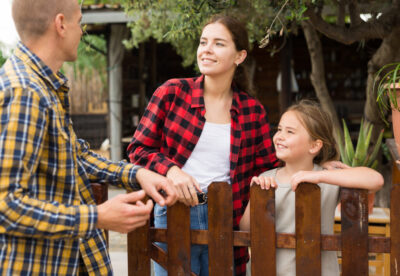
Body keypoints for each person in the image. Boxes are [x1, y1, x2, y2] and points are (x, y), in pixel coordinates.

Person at [0, 0, 177, 275]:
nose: (82, 31)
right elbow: (6, 207)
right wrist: (98, 216)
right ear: (61, 24)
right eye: (79, 22)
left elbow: (75, 155)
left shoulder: (44, 86)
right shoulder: (25, 92)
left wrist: (137, 174)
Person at [127, 14, 278, 276]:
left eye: (218, 43)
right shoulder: (172, 93)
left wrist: (319, 166)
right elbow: (138, 150)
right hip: (173, 211)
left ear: (239, 56)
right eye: (203, 42)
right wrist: (172, 171)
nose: (206, 49)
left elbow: (267, 170)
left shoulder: (252, 111)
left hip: (226, 217)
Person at [239, 100, 384, 276]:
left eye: (290, 131)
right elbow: (245, 229)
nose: (280, 136)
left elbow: (375, 179)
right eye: (279, 129)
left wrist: (318, 175)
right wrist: (256, 195)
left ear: (314, 146)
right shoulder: (266, 179)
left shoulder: (327, 180)